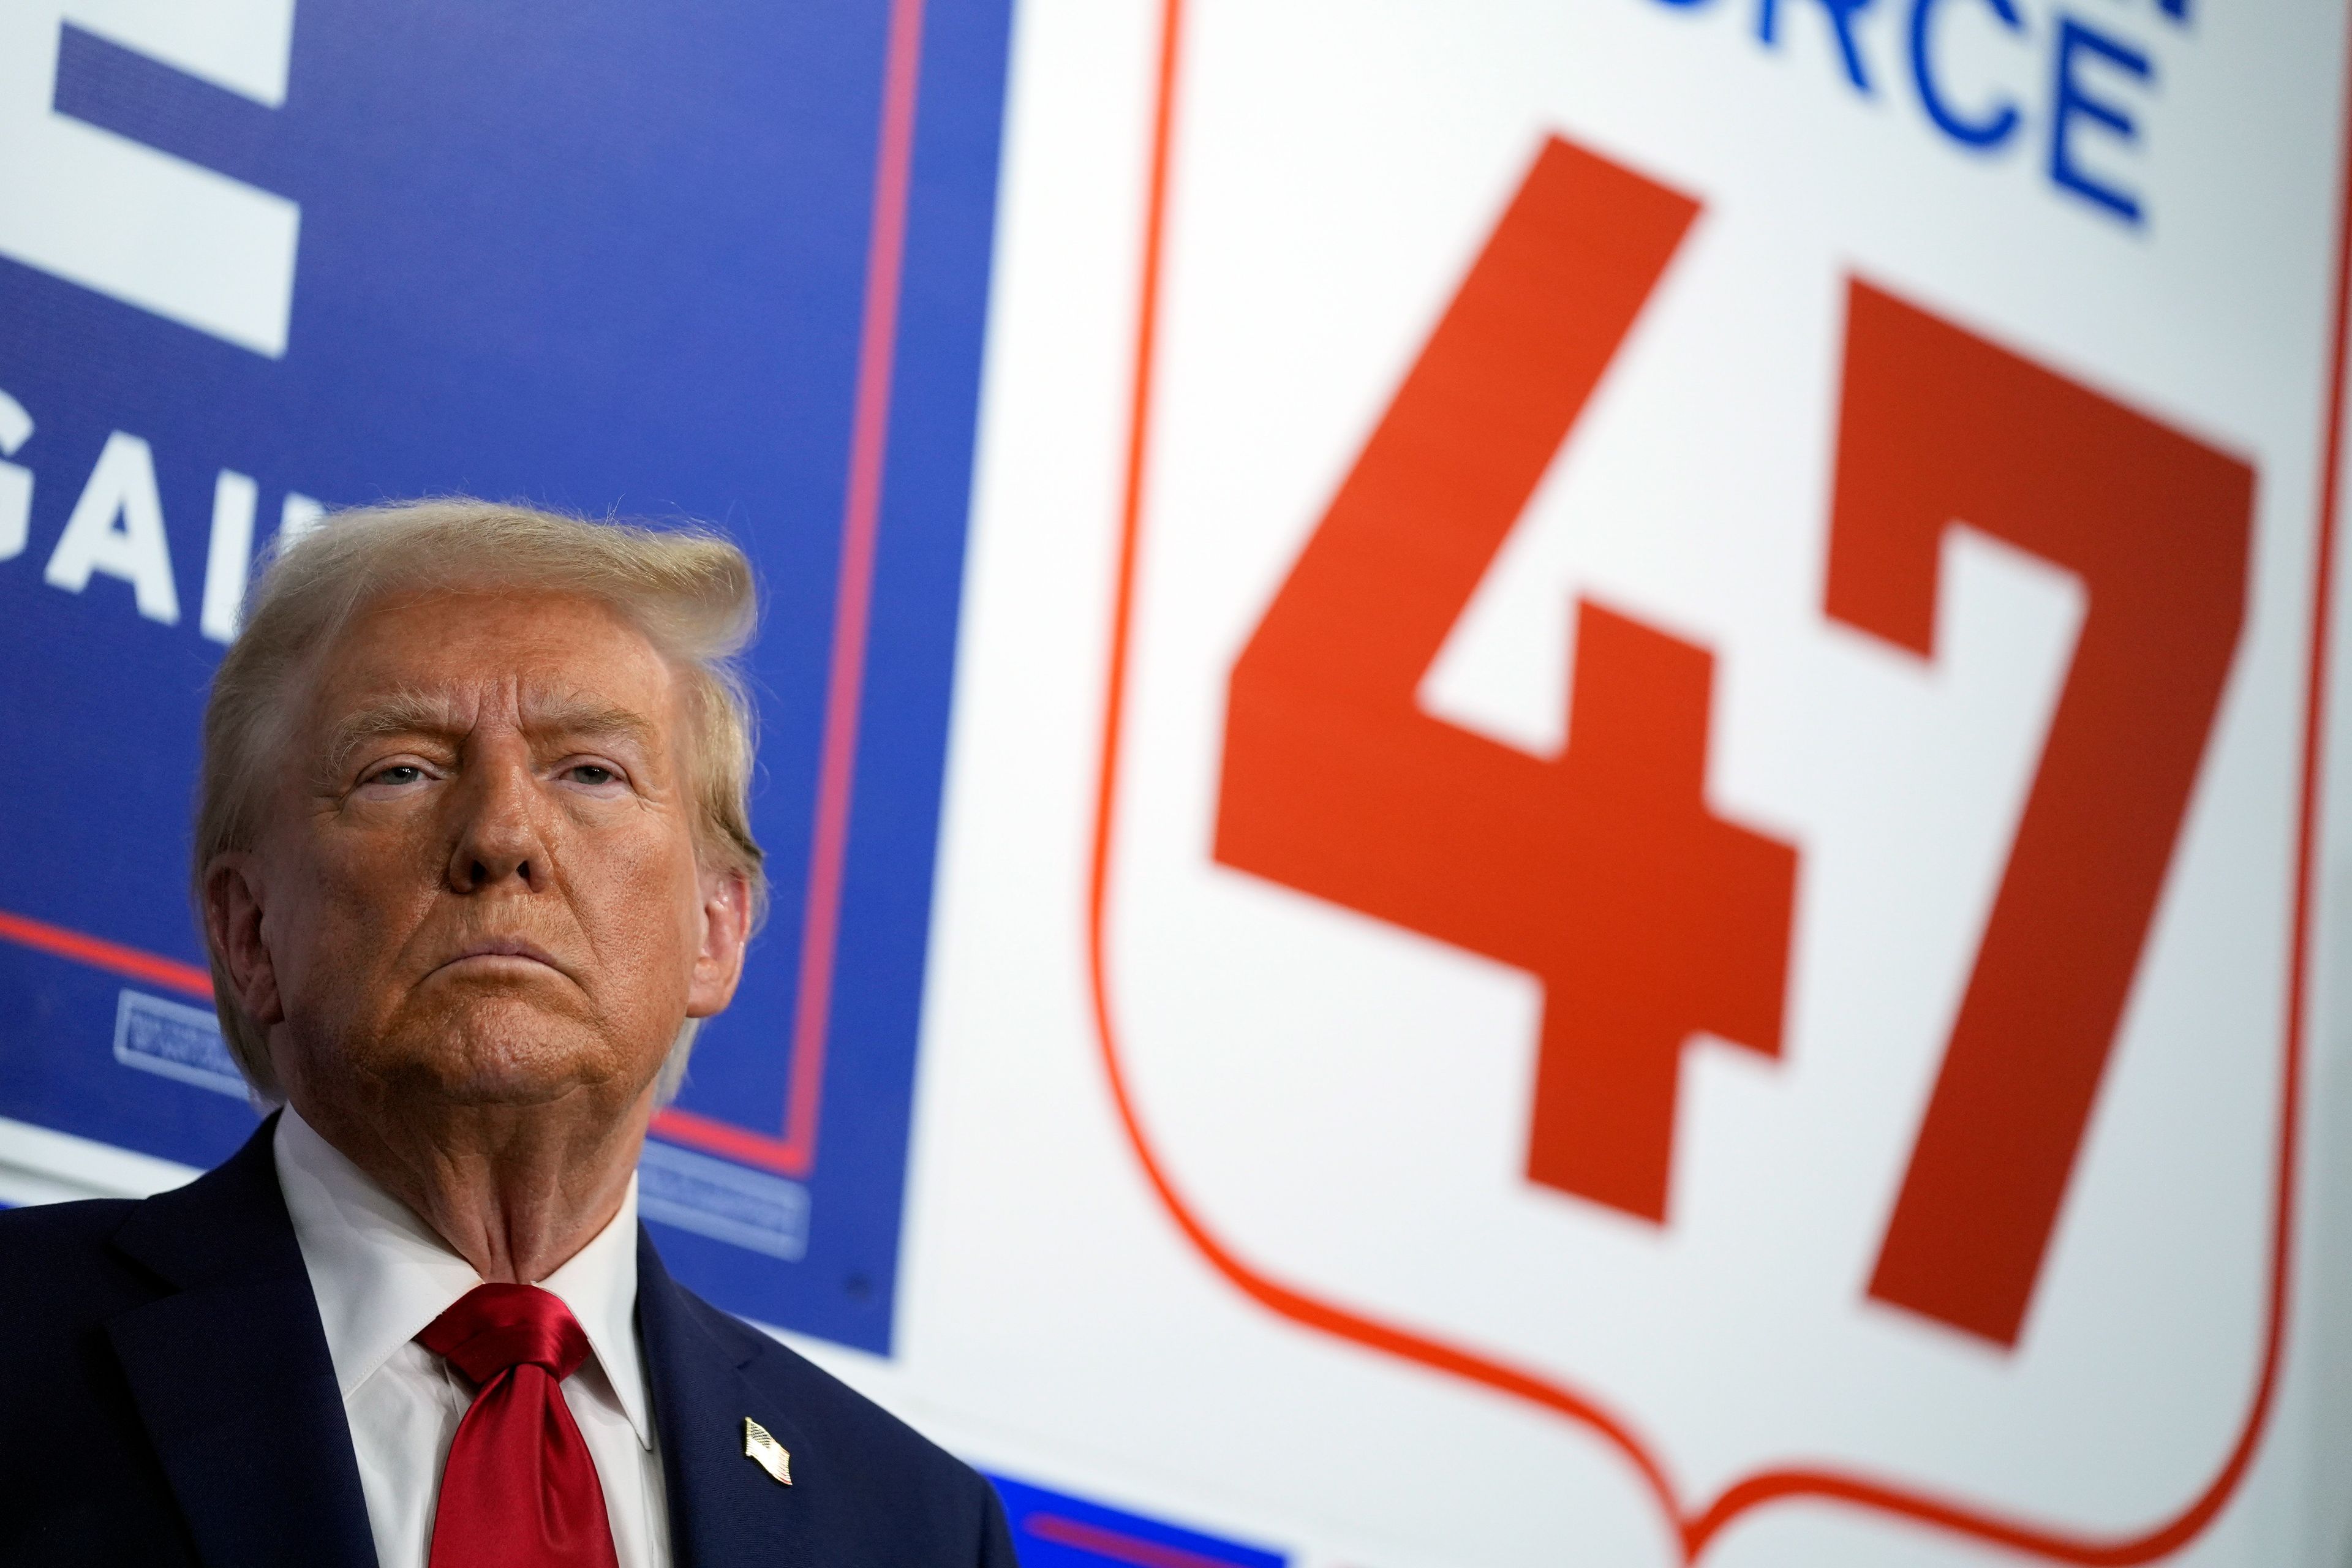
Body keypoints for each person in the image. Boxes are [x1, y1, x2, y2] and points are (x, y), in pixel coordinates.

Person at [0, 500, 1017, 1567]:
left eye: (589, 771)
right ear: (249, 931)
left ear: (716, 930)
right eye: (402, 769)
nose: (500, 834)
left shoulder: (920, 1529)